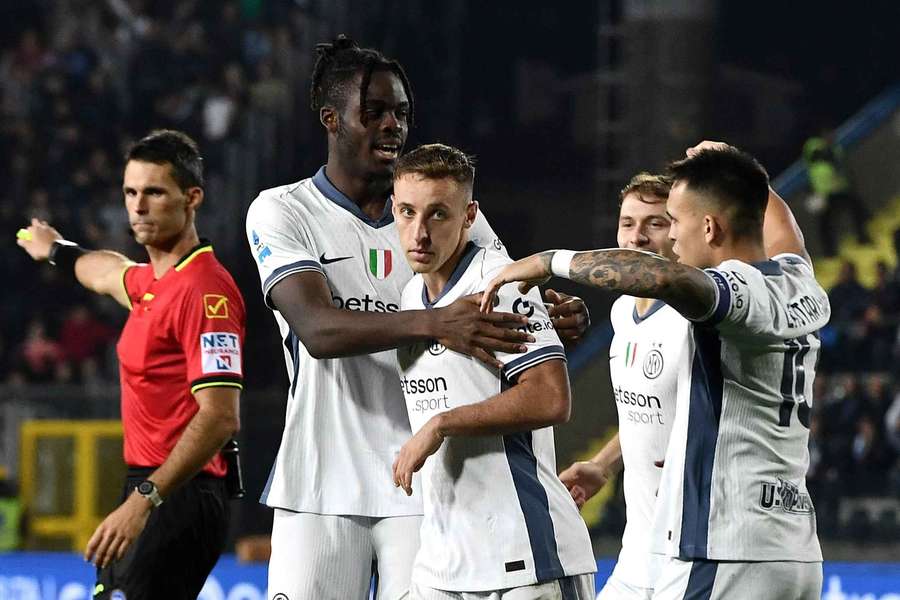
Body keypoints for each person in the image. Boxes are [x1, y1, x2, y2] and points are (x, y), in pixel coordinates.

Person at [244, 36, 589, 600]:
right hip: (319, 478)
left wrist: (547, 315)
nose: (392, 125)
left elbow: (497, 298)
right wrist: (435, 323)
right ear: (331, 118)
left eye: (401, 113)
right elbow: (318, 329)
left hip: (422, 480)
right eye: (374, 111)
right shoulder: (283, 210)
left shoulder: (450, 215)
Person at [481, 144, 828, 600]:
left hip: (725, 549)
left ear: (709, 227)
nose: (675, 241)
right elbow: (785, 234)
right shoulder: (797, 278)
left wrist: (549, 261)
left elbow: (663, 278)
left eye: (675, 223)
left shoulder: (731, 295)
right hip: (794, 551)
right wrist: (735, 163)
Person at [17, 129, 244, 600]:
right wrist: (56, 249)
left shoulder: (206, 292)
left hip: (179, 491)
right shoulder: (152, 283)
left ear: (191, 198)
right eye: (130, 192)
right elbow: (105, 271)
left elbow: (221, 415)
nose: (138, 206)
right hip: (150, 487)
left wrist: (145, 500)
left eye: (155, 192)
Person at [390, 143, 596, 599]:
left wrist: (441, 425)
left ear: (469, 216)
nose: (418, 233)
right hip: (442, 562)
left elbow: (550, 397)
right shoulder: (408, 297)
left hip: (523, 560)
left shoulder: (501, 283)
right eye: (407, 212)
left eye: (438, 215)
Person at [558, 173, 684, 600]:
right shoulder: (622, 312)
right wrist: (605, 464)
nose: (637, 237)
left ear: (680, 231)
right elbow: (643, 416)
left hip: (689, 554)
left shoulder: (697, 320)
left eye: (655, 223)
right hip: (636, 551)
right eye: (628, 223)